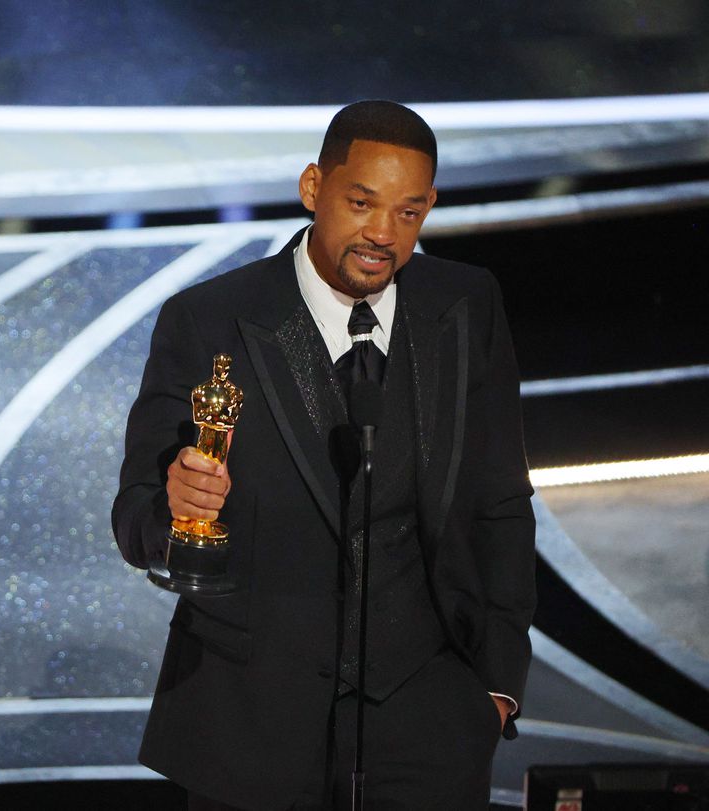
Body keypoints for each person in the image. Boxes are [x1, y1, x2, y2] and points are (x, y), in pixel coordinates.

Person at [112, 100, 536, 810]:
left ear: (429, 207)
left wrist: (495, 687)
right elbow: (136, 518)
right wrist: (174, 508)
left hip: (430, 722)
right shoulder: (209, 318)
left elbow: (501, 500)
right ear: (314, 188)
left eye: (408, 212)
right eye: (362, 202)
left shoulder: (467, 304)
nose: (381, 233)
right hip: (252, 729)